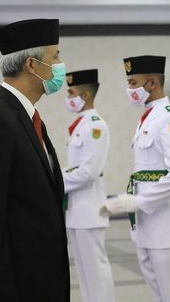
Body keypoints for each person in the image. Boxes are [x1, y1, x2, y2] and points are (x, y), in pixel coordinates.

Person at [0, 19, 70, 302]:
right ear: (32, 65)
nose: (61, 64)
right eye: (55, 56)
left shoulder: (28, 117)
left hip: (43, 280)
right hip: (18, 286)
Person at [101, 55, 170, 301]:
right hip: (148, 229)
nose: (129, 90)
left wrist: (138, 201)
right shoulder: (148, 118)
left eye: (133, 83)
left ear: (152, 83)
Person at [63, 69, 115, 302]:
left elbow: (88, 172)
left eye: (71, 92)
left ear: (85, 95)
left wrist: (54, 181)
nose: (68, 97)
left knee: (96, 271)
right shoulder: (81, 125)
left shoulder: (96, 126)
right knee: (84, 273)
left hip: (90, 210)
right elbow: (74, 168)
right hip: (76, 210)